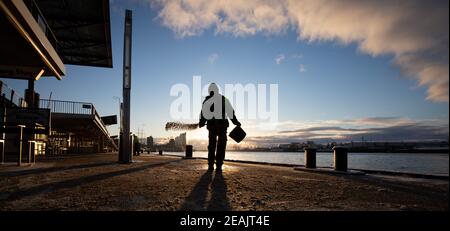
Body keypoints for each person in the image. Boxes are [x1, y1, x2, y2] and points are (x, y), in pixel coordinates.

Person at [199, 83, 241, 172]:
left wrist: (202, 122)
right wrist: (236, 122)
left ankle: (211, 166)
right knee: (221, 147)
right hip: (222, 127)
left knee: (212, 146)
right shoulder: (223, 99)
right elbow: (231, 113)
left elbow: (203, 114)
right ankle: (218, 166)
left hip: (213, 127)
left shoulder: (207, 100)